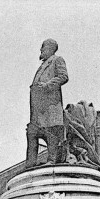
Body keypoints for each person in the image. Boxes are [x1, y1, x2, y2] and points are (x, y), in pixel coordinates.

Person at [26, 38, 69, 167]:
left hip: (50, 105)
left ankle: (51, 160)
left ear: (50, 49)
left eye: (43, 47)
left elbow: (63, 76)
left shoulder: (57, 60)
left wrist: (46, 86)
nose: (41, 50)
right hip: (38, 108)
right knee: (32, 132)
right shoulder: (43, 65)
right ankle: (30, 163)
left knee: (51, 132)